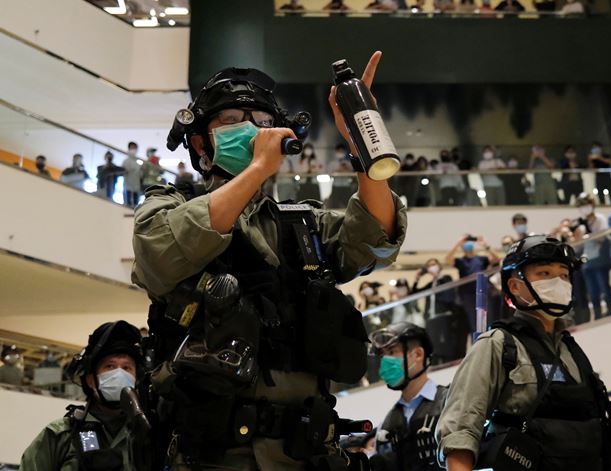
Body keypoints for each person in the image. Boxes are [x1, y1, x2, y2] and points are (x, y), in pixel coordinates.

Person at [134, 55, 406, 469]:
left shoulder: (302, 224)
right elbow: (162, 254)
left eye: (260, 119)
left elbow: (376, 240)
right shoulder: (167, 205)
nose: (248, 129)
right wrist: (259, 169)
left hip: (304, 452)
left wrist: (364, 146)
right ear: (199, 142)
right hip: (210, 455)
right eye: (229, 119)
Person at [437, 235, 611, 471]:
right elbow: (460, 431)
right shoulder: (497, 345)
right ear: (515, 286)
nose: (558, 282)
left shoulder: (571, 349)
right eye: (545, 274)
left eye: (564, 275)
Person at [20, 321, 145, 471]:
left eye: (127, 368)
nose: (119, 374)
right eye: (110, 366)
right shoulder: (60, 435)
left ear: (136, 379)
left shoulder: (147, 436)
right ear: (91, 380)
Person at [369, 323, 448, 471]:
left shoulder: (448, 402)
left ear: (418, 354)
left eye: (392, 352)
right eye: (383, 355)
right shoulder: (386, 424)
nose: (385, 361)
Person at [445, 235, 500, 331]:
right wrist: (458, 243)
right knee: (474, 323)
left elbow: (496, 259)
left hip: (484, 293)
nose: (468, 244)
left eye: (469, 241)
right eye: (466, 242)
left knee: (488, 320)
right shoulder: (460, 261)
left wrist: (486, 245)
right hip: (468, 295)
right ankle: (478, 344)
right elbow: (447, 259)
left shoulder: (481, 259)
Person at [575, 194, 611, 319]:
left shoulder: (600, 218)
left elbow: (601, 237)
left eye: (586, 204)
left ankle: (610, 310)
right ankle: (597, 314)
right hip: (587, 261)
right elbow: (578, 247)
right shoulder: (580, 225)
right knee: (592, 292)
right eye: (581, 206)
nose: (584, 208)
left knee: (604, 287)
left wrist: (588, 230)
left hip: (600, 259)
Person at [328, 143, 358, 209]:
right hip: (336, 186)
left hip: (346, 186)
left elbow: (352, 174)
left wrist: (346, 169)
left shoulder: (348, 163)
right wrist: (339, 170)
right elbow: (330, 174)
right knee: (335, 205)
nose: (341, 153)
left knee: (347, 204)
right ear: (336, 152)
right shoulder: (332, 163)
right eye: (339, 151)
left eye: (342, 151)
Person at [122, 142, 143, 207]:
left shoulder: (139, 162)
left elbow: (141, 175)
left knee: (136, 205)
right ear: (129, 149)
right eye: (132, 148)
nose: (133, 150)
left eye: (134, 148)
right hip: (128, 187)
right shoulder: (126, 161)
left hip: (137, 187)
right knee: (127, 205)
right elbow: (123, 172)